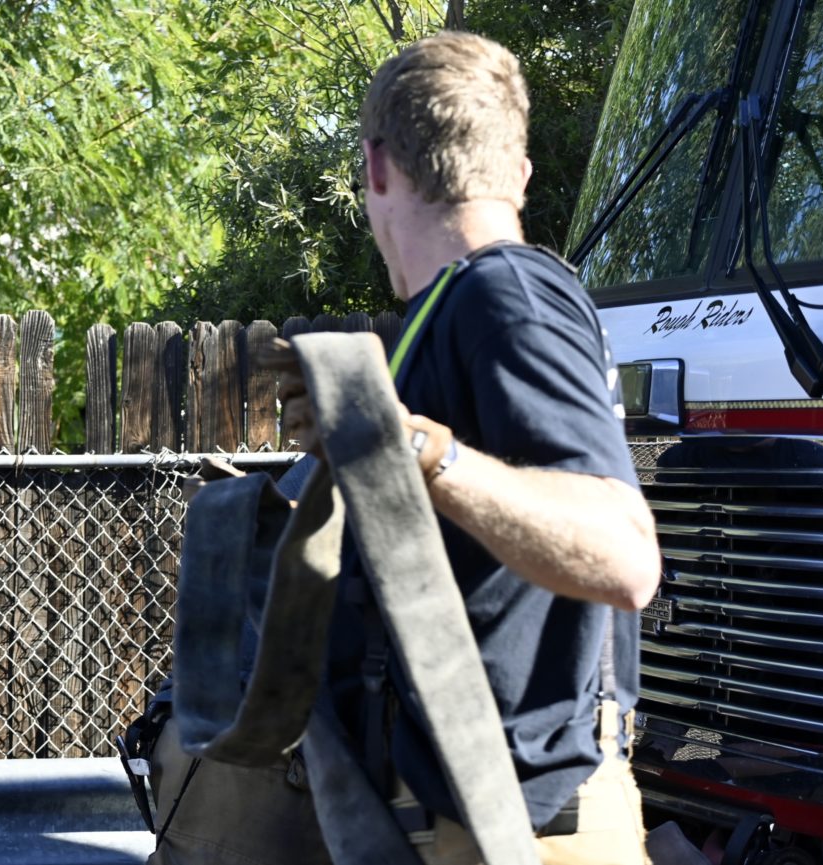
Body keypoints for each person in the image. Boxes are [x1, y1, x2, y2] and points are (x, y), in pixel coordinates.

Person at [277, 29, 662, 865]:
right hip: (470, 823)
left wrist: (419, 450)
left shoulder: (509, 293)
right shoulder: (454, 310)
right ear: (518, 174)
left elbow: (625, 555)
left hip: (526, 832)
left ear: (377, 167)